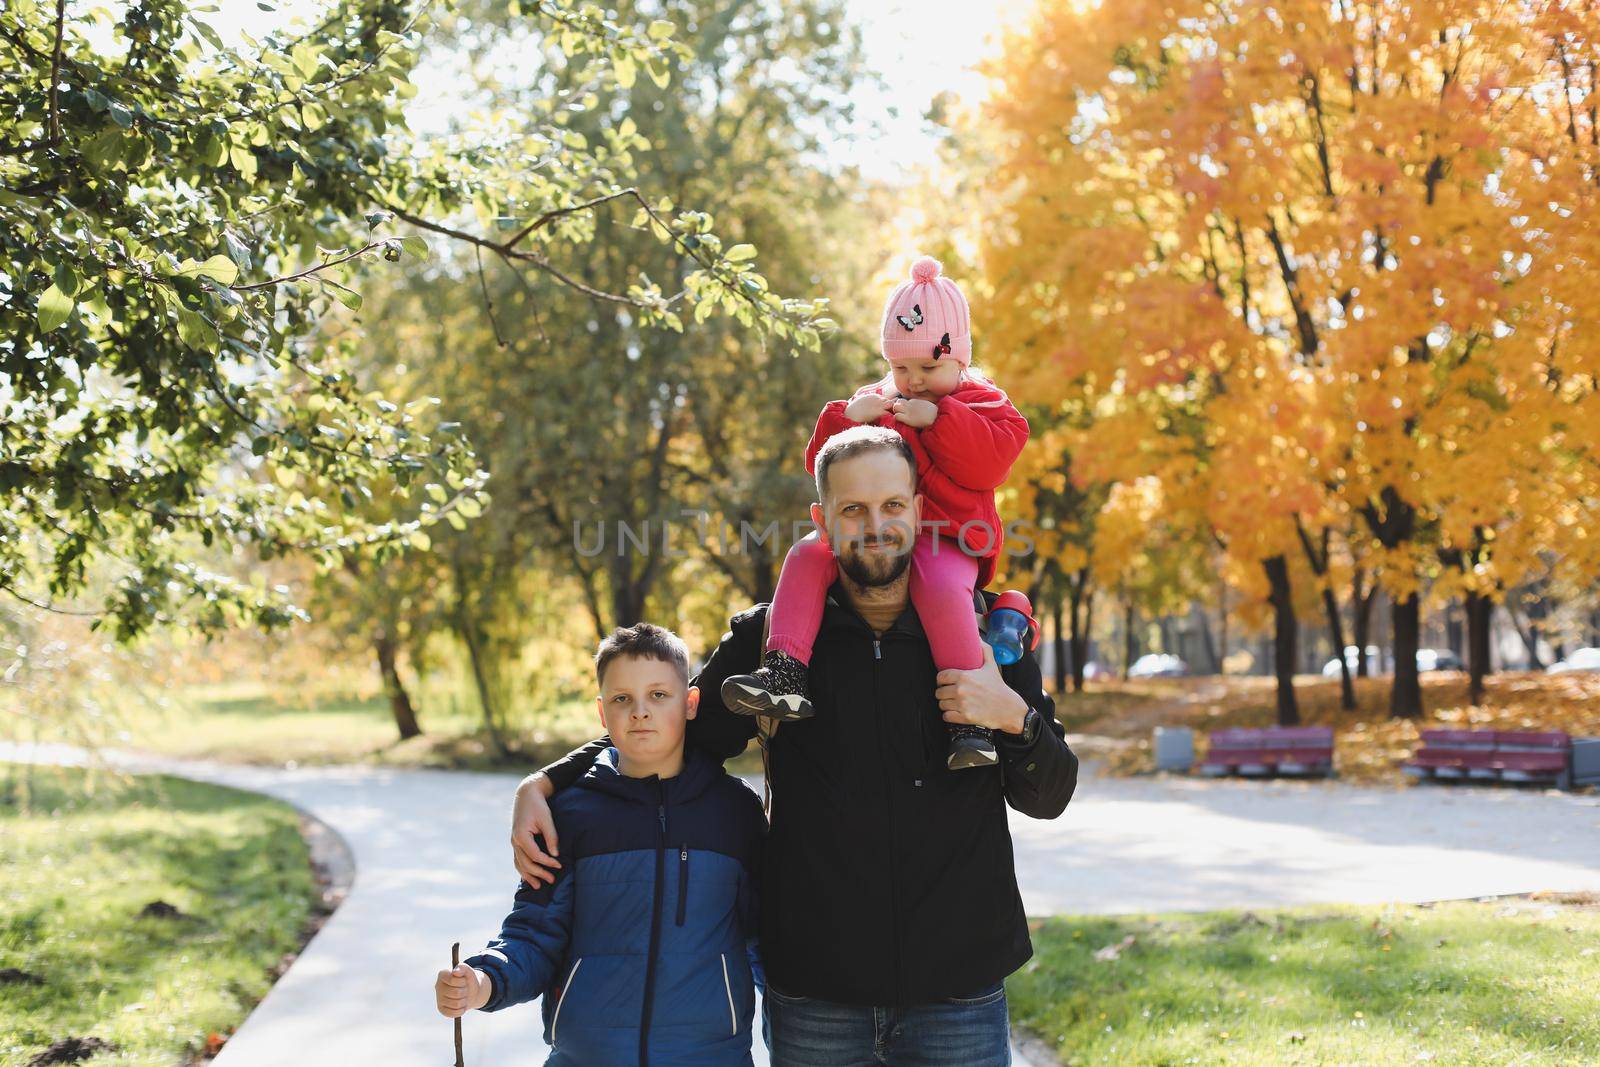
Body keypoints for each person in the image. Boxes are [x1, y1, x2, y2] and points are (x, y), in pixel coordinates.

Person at [510, 429, 1079, 1067]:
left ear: (920, 510)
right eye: (853, 510)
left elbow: (1049, 794)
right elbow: (666, 730)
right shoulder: (773, 643)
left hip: (960, 988)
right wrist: (549, 782)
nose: (876, 526)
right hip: (817, 996)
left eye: (892, 506)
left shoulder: (986, 634)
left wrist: (1013, 716)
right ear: (822, 520)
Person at [720, 255, 1029, 771]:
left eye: (929, 368)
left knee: (937, 586)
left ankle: (969, 719)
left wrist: (941, 418)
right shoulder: (880, 399)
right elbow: (825, 467)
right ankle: (786, 671)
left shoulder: (982, 404)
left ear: (958, 358)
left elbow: (989, 465)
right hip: (870, 538)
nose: (913, 381)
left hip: (952, 537)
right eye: (900, 367)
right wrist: (845, 417)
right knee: (808, 554)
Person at [434, 623, 766, 1067]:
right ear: (601, 712)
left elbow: (767, 936)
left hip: (710, 1056)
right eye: (622, 699)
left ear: (690, 704)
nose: (640, 712)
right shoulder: (571, 816)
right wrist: (482, 979)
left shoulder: (733, 811)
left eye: (659, 696)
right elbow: (533, 935)